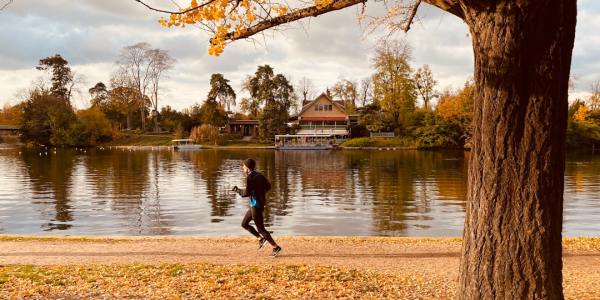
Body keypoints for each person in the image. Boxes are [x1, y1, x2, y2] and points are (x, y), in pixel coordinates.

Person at [233, 158, 282, 257]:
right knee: (244, 224)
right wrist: (260, 194)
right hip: (255, 205)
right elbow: (268, 186)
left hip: (256, 206)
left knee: (261, 229)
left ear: (247, 167)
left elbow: (246, 193)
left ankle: (276, 247)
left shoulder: (250, 177)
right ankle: (261, 239)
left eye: (243, 166)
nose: (243, 167)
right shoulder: (260, 175)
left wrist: (237, 190)